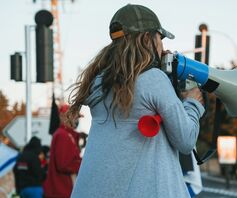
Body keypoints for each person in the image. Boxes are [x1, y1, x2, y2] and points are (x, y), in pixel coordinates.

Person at [67, 4, 205, 198]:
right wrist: (193, 104)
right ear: (147, 38)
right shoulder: (153, 79)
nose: (163, 47)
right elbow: (185, 140)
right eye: (160, 38)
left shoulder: (98, 82)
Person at [43, 104, 82, 198]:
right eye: (75, 116)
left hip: (62, 190)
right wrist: (84, 163)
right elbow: (64, 164)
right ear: (64, 117)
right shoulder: (63, 135)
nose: (77, 120)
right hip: (61, 191)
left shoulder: (66, 134)